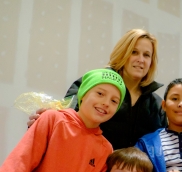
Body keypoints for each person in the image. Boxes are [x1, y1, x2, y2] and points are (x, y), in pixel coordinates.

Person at [27, 29, 167, 150]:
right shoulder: (91, 84)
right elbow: (65, 123)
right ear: (123, 53)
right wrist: (43, 125)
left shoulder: (157, 105)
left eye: (146, 55)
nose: (140, 59)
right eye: (134, 52)